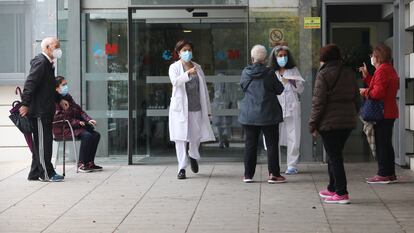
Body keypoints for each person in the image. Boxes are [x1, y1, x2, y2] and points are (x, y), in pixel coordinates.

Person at [309, 44, 360, 204]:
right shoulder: (349, 72)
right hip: (347, 121)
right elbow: (356, 98)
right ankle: (332, 187)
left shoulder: (323, 74)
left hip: (329, 122)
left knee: (335, 157)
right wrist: (353, 114)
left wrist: (312, 123)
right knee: (334, 155)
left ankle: (341, 192)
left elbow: (318, 102)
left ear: (323, 58)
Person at [20, 37, 68, 182]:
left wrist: (59, 99)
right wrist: (25, 103)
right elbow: (30, 83)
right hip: (40, 111)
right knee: (44, 144)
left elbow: (48, 88)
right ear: (47, 47)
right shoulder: (41, 62)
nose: (59, 49)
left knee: (41, 143)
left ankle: (35, 172)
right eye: (56, 46)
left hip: (45, 110)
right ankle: (46, 173)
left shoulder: (48, 64)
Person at [168, 39, 215, 179]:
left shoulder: (198, 67)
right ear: (178, 53)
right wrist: (188, 73)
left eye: (189, 50)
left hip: (196, 107)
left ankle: (193, 155)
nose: (187, 53)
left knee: (195, 136)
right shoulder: (174, 67)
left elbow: (204, 90)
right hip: (180, 108)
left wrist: (208, 108)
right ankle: (181, 168)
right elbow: (175, 82)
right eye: (184, 50)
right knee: (180, 138)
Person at [239, 44, 285, 184]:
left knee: (250, 145)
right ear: (264, 58)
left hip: (250, 114)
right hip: (268, 114)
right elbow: (280, 89)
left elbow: (242, 87)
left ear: (252, 58)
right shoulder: (270, 73)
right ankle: (274, 175)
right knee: (271, 144)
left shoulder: (246, 72)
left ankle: (248, 175)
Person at [359, 43, 399, 184]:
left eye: (373, 56)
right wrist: (367, 77)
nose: (371, 58)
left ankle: (383, 173)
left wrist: (365, 92)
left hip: (383, 112)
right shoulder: (389, 69)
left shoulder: (382, 70)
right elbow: (380, 86)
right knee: (386, 143)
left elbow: (378, 92)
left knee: (382, 144)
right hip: (389, 111)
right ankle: (390, 173)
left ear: (378, 56)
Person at [53, 76, 103, 173]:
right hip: (63, 128)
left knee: (96, 135)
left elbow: (79, 111)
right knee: (87, 136)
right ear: (56, 88)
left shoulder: (68, 97)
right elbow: (58, 117)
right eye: (63, 85)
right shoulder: (54, 101)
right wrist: (76, 122)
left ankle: (89, 163)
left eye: (66, 84)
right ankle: (81, 164)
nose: (66, 87)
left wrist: (89, 119)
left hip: (74, 127)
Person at [268, 45, 304, 174]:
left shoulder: (293, 70)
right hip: (276, 108)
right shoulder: (271, 71)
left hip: (292, 108)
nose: (283, 58)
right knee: (274, 137)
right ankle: (274, 165)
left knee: (293, 137)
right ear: (275, 58)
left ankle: (292, 165)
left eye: (284, 55)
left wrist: (292, 82)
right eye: (280, 56)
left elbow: (301, 89)